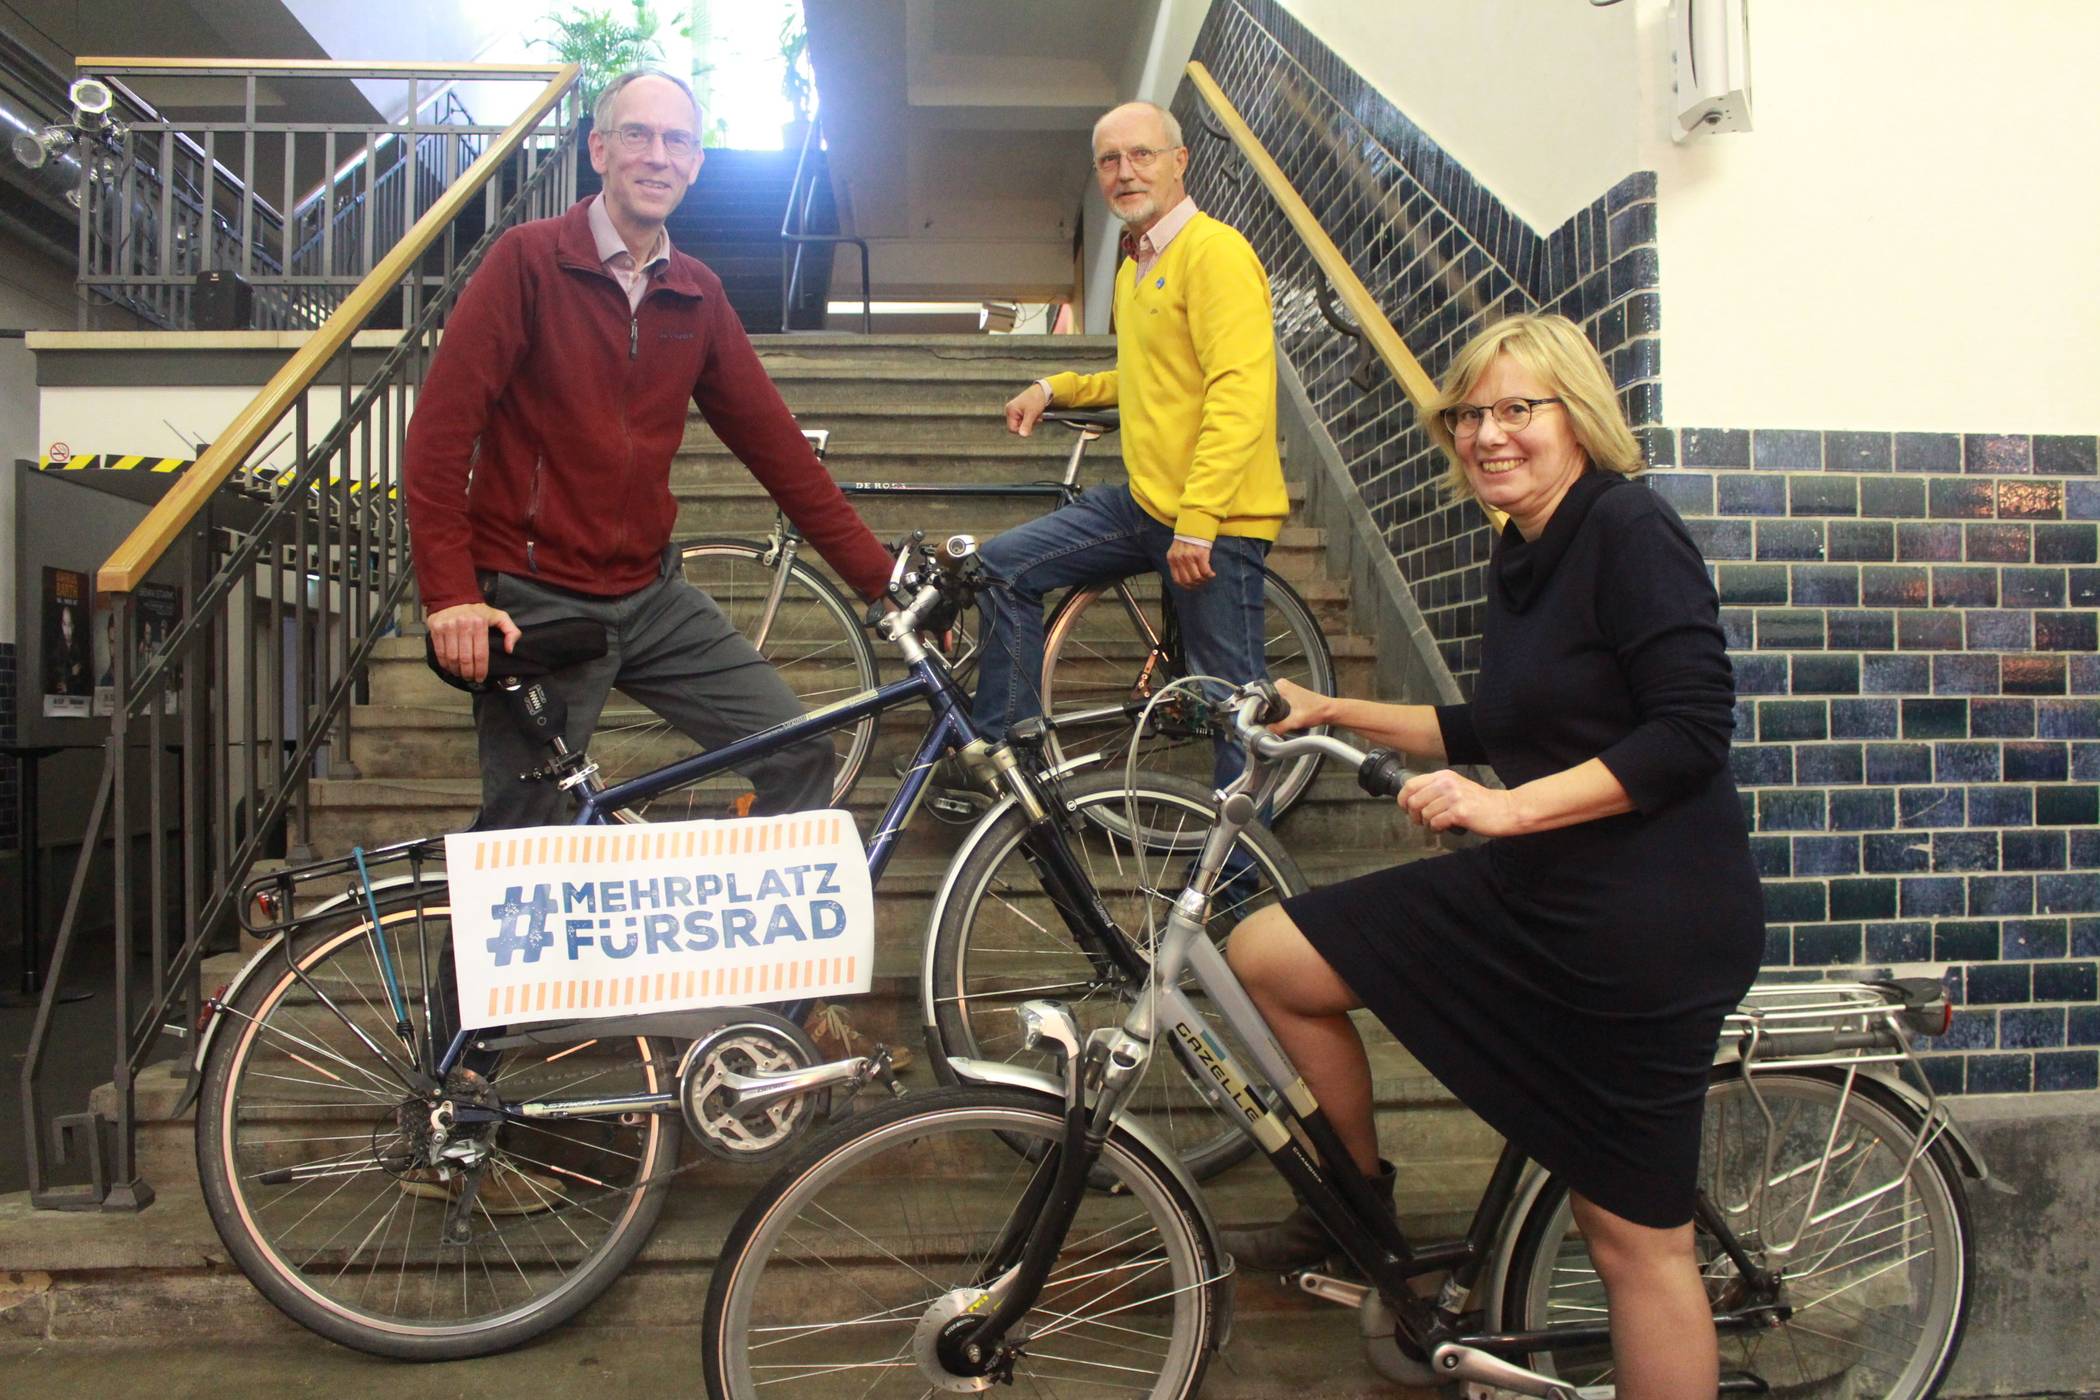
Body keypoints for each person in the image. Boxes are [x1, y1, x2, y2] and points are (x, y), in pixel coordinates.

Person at [1221, 313, 1764, 1398]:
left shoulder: (1627, 528)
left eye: (1518, 409)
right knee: (1272, 951)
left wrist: (1510, 813)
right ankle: (1359, 1197)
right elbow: (1501, 722)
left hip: (1647, 917)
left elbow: (1688, 729)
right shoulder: (1522, 544)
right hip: (1547, 890)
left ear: (1579, 417)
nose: (1487, 434)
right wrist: (1337, 706)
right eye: (1469, 413)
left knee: (1631, 1240)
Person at [403, 68, 908, 1069]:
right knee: (524, 844)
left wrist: (881, 580)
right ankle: (451, 1090)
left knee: (802, 748)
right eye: (637, 136)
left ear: (697, 164)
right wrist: (452, 593)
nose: (657, 156)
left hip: (650, 590)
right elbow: (438, 435)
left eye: (677, 142)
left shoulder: (695, 293)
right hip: (536, 598)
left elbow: (779, 451)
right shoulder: (527, 263)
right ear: (599, 151)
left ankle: (774, 999)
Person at [926, 100, 1287, 807]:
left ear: (1180, 160)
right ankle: (1006, 757)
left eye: (1142, 155)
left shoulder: (1215, 253)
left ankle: (1244, 883)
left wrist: (1200, 517)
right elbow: (1147, 377)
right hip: (1147, 500)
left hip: (1213, 519)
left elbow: (1239, 391)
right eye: (1110, 160)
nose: (1125, 172)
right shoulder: (1136, 266)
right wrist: (1055, 386)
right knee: (1003, 568)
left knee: (1232, 707)